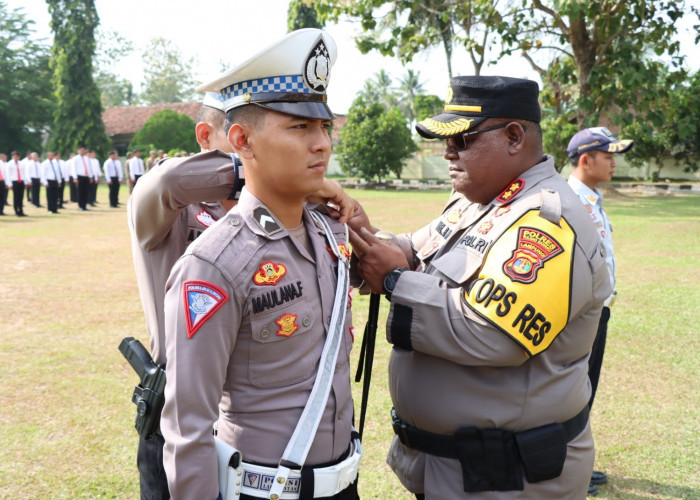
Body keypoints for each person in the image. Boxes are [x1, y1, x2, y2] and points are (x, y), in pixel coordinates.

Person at [348, 76, 612, 499]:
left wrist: (395, 282)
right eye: (445, 141)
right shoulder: (478, 200)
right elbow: (413, 250)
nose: (448, 152)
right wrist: (354, 232)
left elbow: (492, 333)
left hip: (508, 477)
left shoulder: (548, 220)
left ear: (513, 137)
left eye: (463, 139)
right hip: (461, 469)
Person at [159, 29, 360, 500]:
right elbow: (187, 428)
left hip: (344, 484)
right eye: (299, 127)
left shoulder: (331, 232)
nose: (322, 144)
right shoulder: (215, 264)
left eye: (324, 127)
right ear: (242, 140)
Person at [566, 126, 633, 496]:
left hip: (597, 311)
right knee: (574, 389)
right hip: (580, 315)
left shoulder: (590, 198)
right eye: (608, 156)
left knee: (586, 387)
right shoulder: (569, 201)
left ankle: (576, 461)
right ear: (586, 160)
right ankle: (566, 466)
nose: (613, 162)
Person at [72, 146, 93, 211]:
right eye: (81, 150)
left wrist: (90, 176)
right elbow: (74, 168)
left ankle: (84, 205)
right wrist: (75, 177)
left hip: (86, 176)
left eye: (83, 150)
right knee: (80, 192)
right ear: (78, 151)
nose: (82, 151)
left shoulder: (87, 158)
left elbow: (89, 168)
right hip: (79, 177)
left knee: (86, 192)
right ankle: (81, 206)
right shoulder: (75, 158)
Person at [6, 151, 27, 216]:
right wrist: (9, 184)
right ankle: (16, 211)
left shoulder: (21, 164)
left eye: (17, 156)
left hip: (21, 181)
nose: (16, 158)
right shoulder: (9, 164)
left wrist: (25, 182)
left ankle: (21, 210)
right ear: (12, 157)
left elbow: (24, 173)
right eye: (15, 156)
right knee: (16, 197)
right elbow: (8, 175)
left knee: (21, 196)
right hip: (14, 181)